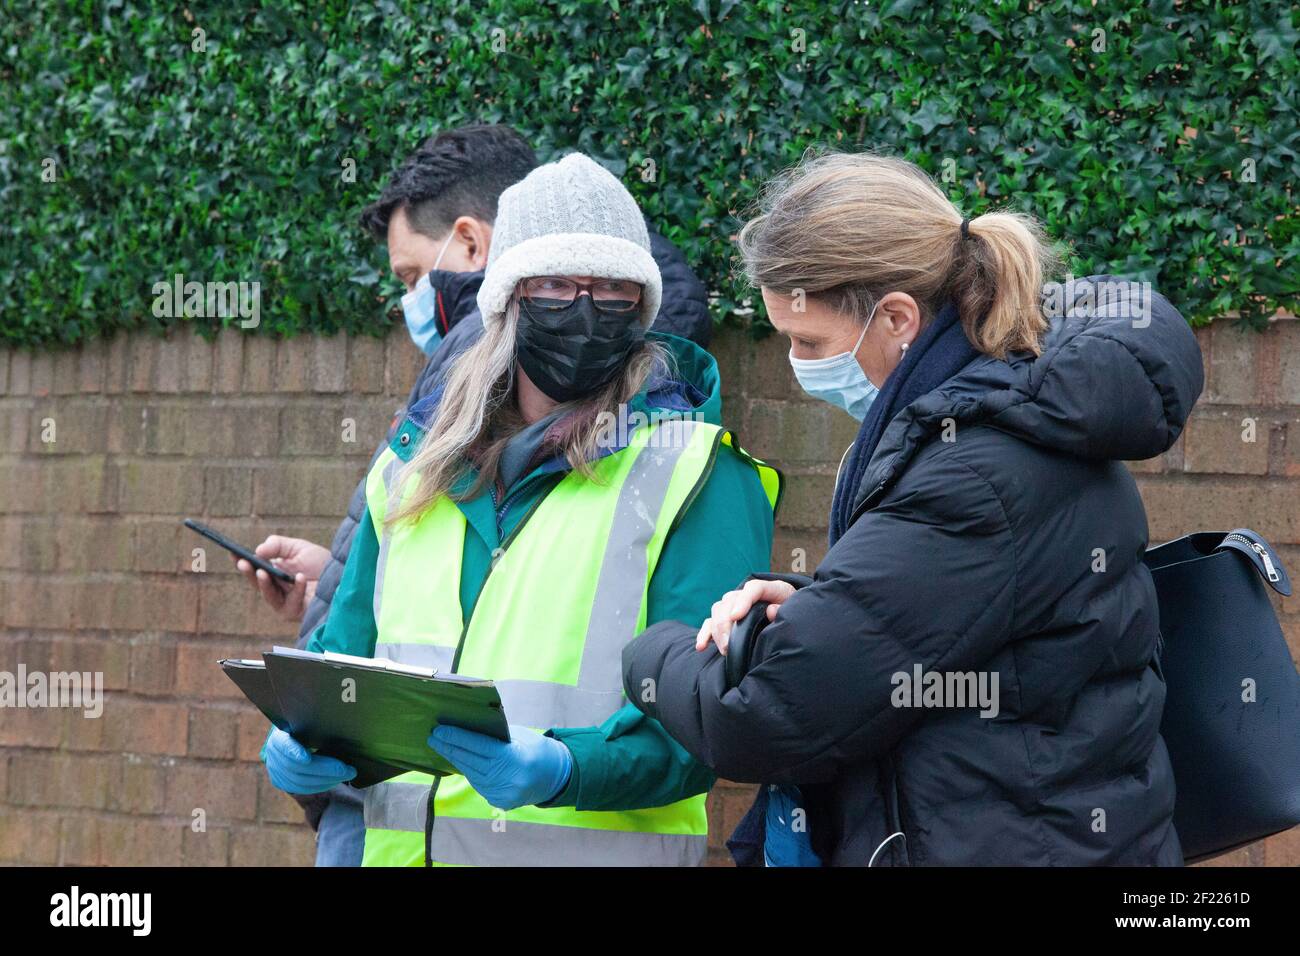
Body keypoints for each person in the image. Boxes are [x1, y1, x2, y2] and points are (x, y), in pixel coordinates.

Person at [621, 151, 1203, 866]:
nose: (801, 365)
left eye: (809, 341)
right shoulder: (1003, 407)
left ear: (897, 317)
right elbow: (956, 614)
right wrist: (813, 605)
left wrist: (652, 649)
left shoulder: (975, 470)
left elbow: (767, 713)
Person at [261, 152, 782, 866]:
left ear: (644, 306)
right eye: (558, 284)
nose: (586, 308)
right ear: (507, 298)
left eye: (614, 291)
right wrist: (303, 734)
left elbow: (703, 726)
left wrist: (566, 768)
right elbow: (341, 658)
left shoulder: (699, 475)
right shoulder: (413, 468)